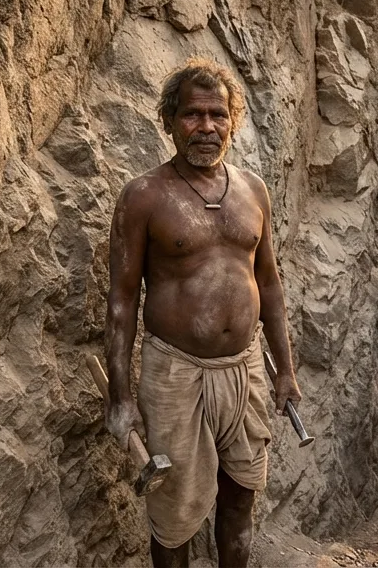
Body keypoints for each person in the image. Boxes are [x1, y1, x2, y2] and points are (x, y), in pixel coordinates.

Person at [103, 58, 303, 567]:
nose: (207, 127)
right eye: (193, 114)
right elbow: (122, 300)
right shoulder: (144, 197)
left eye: (218, 114)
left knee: (240, 499)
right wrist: (121, 397)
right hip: (175, 375)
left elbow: (270, 283)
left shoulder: (253, 189)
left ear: (233, 120)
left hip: (246, 370)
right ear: (169, 120)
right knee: (174, 519)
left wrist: (286, 369)